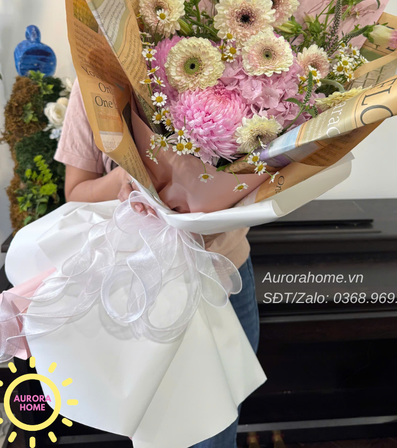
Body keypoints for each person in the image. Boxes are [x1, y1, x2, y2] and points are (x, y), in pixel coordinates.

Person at [54, 81, 260, 448]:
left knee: (218, 430)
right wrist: (132, 173)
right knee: (163, 430)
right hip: (142, 285)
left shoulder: (232, 75)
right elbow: (76, 192)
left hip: (226, 275)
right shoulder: (92, 84)